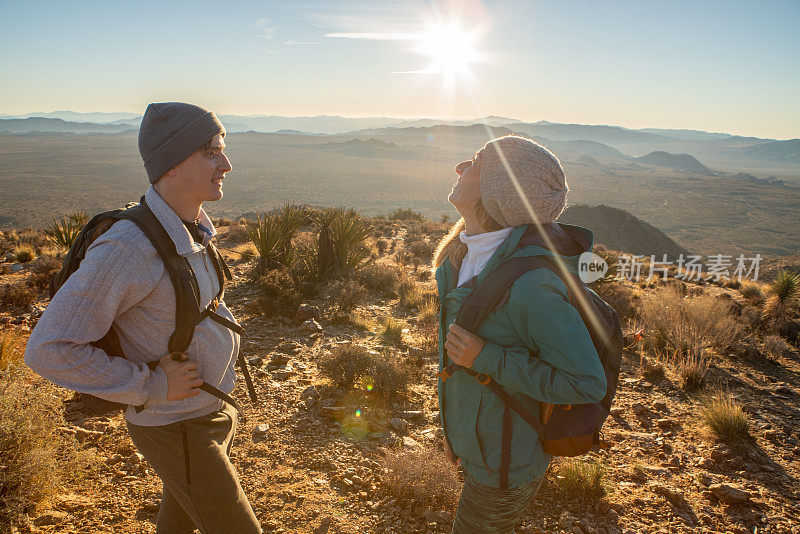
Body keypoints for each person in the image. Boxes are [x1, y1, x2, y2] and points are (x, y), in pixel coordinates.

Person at [25, 102, 261, 534]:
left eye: (222, 148)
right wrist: (150, 385)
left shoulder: (191, 227)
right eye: (210, 152)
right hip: (178, 426)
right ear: (171, 164)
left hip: (211, 411)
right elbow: (48, 348)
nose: (226, 163)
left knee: (180, 523)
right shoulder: (128, 248)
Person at [432, 135, 607, 534]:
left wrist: (486, 356)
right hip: (480, 447)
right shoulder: (459, 257)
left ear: (500, 192)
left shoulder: (531, 285)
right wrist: (454, 433)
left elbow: (586, 383)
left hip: (508, 463)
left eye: (476, 163)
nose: (461, 167)